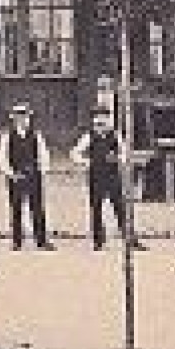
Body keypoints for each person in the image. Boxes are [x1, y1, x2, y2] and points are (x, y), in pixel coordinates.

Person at [0, 103, 53, 250]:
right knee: (16, 209)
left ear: (29, 118)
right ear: (13, 119)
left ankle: (41, 241)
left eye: (25, 116)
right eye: (19, 117)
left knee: (38, 209)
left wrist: (41, 171)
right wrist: (11, 174)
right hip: (16, 177)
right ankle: (16, 241)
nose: (22, 120)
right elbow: (2, 158)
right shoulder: (7, 137)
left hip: (34, 176)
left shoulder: (36, 135)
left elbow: (43, 155)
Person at [70, 107, 128, 250]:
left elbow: (125, 153)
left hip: (113, 175)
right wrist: (87, 162)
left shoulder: (116, 136)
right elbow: (74, 153)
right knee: (96, 208)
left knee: (120, 207)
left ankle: (129, 239)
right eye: (98, 118)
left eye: (104, 117)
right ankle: (98, 241)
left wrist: (119, 158)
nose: (101, 121)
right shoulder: (89, 136)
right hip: (96, 176)